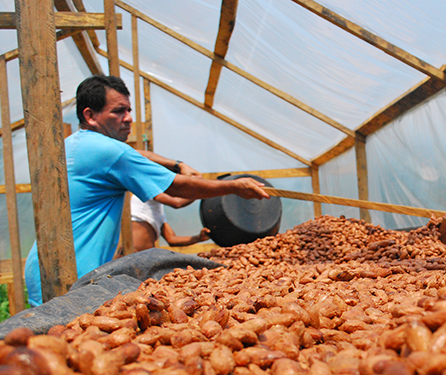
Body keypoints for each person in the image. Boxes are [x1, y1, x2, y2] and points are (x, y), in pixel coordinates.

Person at [23, 75, 269, 306]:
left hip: (45, 265)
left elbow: (138, 155)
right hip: (74, 271)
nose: (129, 118)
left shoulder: (72, 144)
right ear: (90, 115)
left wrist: (177, 163)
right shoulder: (111, 152)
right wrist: (234, 187)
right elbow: (177, 187)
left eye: (129, 110)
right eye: (119, 111)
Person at [129, 193, 210, 252]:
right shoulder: (145, 194)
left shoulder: (157, 210)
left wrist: (198, 238)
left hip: (144, 259)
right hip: (131, 255)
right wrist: (203, 191)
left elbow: (171, 239)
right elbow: (177, 203)